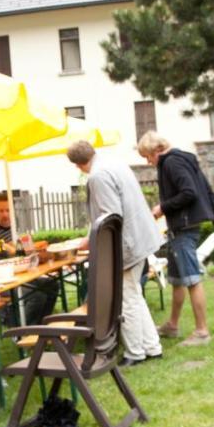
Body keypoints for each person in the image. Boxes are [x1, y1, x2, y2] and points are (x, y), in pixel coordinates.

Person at [67, 140, 164, 363]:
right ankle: (152, 347)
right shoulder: (114, 163)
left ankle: (135, 353)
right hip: (141, 237)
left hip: (128, 244)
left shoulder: (98, 176)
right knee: (135, 296)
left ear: (78, 164)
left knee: (126, 299)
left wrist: (92, 242)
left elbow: (111, 218)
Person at [137, 131, 214, 347]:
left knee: (191, 279)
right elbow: (206, 190)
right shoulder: (185, 159)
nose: (149, 162)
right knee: (178, 280)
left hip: (184, 227)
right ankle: (172, 325)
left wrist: (162, 207)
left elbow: (189, 192)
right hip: (182, 227)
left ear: (157, 150)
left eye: (148, 157)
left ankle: (202, 331)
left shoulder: (171, 163)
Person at [0, 193, 59, 325]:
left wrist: (32, 250)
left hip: (24, 275)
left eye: (8, 210)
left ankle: (41, 326)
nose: (5, 214)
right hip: (6, 282)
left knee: (52, 284)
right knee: (37, 295)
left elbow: (27, 252)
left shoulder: (16, 230)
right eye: (1, 210)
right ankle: (23, 330)